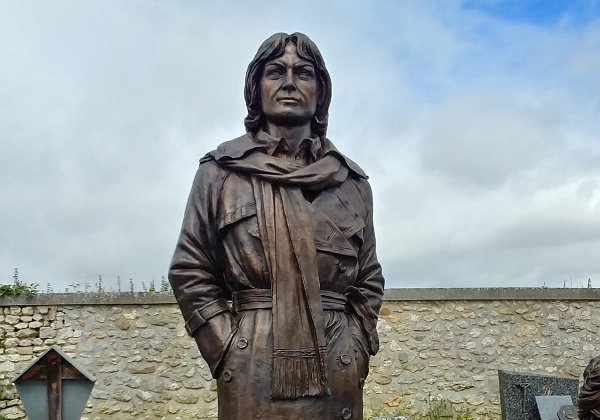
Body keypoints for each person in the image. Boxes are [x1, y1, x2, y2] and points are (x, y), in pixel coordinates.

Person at [169, 32, 384, 420]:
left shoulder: (353, 184)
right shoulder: (220, 173)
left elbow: (368, 278)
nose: (289, 82)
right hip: (252, 360)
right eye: (275, 71)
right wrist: (226, 346)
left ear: (321, 91)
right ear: (257, 88)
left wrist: (357, 347)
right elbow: (190, 269)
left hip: (338, 365)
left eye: (303, 72)